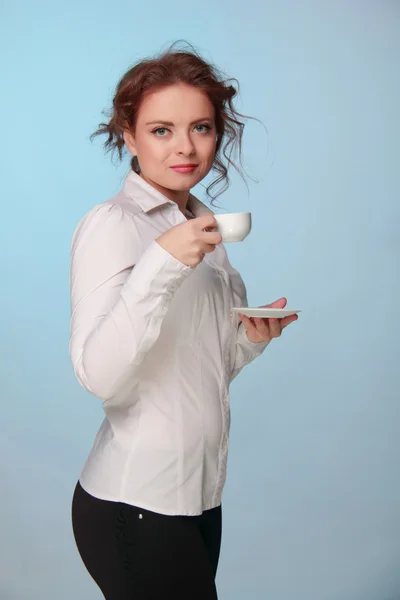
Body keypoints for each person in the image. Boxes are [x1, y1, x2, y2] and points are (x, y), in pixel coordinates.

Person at [69, 41, 298, 600]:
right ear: (129, 134)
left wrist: (248, 340)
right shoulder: (113, 224)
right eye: (162, 130)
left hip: (199, 498)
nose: (186, 147)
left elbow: (196, 368)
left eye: (201, 127)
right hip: (137, 503)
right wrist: (163, 260)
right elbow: (98, 374)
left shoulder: (201, 226)